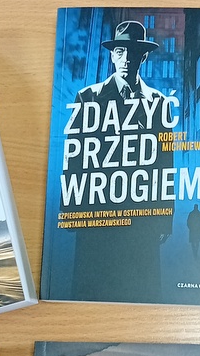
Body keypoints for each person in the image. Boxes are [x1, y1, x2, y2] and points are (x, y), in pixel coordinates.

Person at [63, 20, 174, 302]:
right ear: (112, 56)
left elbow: (165, 164)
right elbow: (74, 157)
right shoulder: (87, 98)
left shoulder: (158, 103)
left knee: (140, 294)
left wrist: (165, 218)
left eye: (133, 52)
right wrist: (71, 210)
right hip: (98, 216)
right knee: (92, 293)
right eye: (120, 52)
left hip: (140, 220)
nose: (126, 59)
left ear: (143, 57)